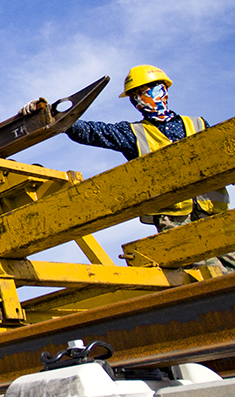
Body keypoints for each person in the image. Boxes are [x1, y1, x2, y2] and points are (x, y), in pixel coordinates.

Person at [20, 64, 233, 273]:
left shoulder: (198, 124)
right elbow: (90, 131)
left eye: (145, 91)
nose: (140, 99)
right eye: (134, 96)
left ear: (164, 90)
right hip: (175, 220)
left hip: (215, 213)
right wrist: (47, 113)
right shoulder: (133, 133)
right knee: (210, 275)